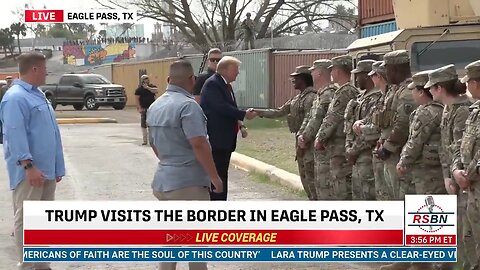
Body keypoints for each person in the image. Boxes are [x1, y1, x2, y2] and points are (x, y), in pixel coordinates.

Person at [146, 60, 223, 270]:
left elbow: (153, 144)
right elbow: (198, 143)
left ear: (169, 80)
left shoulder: (155, 105)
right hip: (188, 183)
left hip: (164, 180)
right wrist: (214, 177)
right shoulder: (189, 106)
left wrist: (169, 162)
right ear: (192, 80)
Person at [0, 52, 65, 270]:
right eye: (44, 68)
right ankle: (27, 266)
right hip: (30, 172)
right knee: (27, 219)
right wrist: (28, 166)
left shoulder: (38, 95)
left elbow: (51, 134)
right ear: (35, 69)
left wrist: (57, 167)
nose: (47, 72)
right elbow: (15, 134)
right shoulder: (15, 97)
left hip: (45, 171)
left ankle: (42, 265)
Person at [426, 64, 477, 270]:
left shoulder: (464, 111)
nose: (429, 91)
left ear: (440, 88)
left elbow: (463, 149)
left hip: (467, 178)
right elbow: (446, 147)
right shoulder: (449, 110)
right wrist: (448, 175)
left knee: (467, 229)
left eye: (432, 87)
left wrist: (457, 176)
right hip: (455, 175)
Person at [255, 65, 318, 200]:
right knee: (305, 179)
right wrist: (259, 112)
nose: (292, 80)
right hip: (300, 143)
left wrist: (303, 141)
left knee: (313, 180)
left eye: (296, 78)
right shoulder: (296, 99)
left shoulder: (312, 98)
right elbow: (279, 111)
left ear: (304, 79)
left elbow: (311, 120)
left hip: (309, 144)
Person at [200, 56, 257, 201]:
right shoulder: (213, 84)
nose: (238, 73)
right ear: (224, 70)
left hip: (225, 140)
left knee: (222, 174)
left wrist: (241, 121)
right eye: (235, 69)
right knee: (218, 174)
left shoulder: (226, 85)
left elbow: (231, 107)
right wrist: (243, 114)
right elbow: (221, 107)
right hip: (217, 139)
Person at [374, 50, 417, 202]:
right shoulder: (395, 90)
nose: (385, 72)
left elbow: (402, 125)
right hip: (391, 155)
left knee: (402, 199)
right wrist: (382, 140)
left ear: (395, 69)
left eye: (387, 69)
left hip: (398, 154)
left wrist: (387, 147)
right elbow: (388, 120)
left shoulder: (407, 92)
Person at [314, 55, 359, 200]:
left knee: (341, 187)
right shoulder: (346, 90)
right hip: (339, 145)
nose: (331, 73)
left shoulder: (345, 91)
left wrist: (320, 138)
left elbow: (332, 117)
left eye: (332, 70)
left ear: (338, 71)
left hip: (339, 146)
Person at [297, 60, 337, 200]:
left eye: (313, 70)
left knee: (324, 188)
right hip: (313, 147)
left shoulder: (328, 94)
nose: (311, 73)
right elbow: (310, 117)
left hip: (323, 147)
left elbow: (319, 119)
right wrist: (302, 135)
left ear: (319, 72)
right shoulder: (320, 94)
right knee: (315, 186)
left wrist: (305, 137)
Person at [454, 59, 480, 270]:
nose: (467, 87)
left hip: (474, 182)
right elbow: (461, 144)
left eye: (469, 82)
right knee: (470, 241)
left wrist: (467, 175)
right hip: (471, 190)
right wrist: (456, 170)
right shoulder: (474, 111)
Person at [344, 59, 381, 200]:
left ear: (367, 76)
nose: (355, 78)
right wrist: (349, 147)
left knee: (368, 196)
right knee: (358, 196)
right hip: (357, 158)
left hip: (366, 156)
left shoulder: (376, 99)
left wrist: (353, 150)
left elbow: (370, 131)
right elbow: (350, 127)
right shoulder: (360, 98)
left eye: (358, 75)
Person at [353, 61, 389, 200]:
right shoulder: (380, 97)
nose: (356, 79)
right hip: (376, 155)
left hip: (374, 152)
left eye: (359, 75)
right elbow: (372, 120)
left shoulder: (381, 97)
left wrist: (355, 148)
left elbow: (377, 128)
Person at [135, 74, 158, 145]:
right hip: (144, 108)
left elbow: (156, 91)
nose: (146, 80)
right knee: (143, 124)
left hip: (152, 108)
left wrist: (147, 87)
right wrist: (139, 108)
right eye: (144, 79)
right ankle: (145, 140)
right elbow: (137, 99)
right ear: (142, 80)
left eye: (147, 79)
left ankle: (152, 140)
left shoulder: (152, 87)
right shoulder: (139, 89)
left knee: (152, 124)